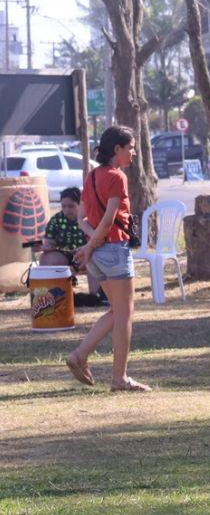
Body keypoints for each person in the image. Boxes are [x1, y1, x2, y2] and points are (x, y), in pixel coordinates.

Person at [66, 126, 149, 392]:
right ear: (117, 149)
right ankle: (119, 378)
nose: (134, 153)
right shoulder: (117, 176)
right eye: (131, 148)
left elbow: (82, 219)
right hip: (113, 250)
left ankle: (80, 355)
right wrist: (92, 244)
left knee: (116, 311)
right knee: (125, 315)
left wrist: (90, 246)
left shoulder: (91, 176)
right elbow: (109, 218)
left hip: (98, 254)